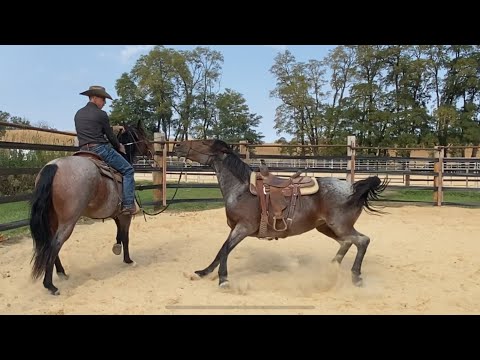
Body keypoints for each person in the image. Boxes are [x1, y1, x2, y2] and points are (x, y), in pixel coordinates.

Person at [74, 85, 137, 215]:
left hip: (82, 151)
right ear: (95, 97)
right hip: (99, 149)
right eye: (103, 99)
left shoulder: (78, 114)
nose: (105, 103)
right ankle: (128, 204)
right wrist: (119, 146)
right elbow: (110, 135)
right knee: (128, 170)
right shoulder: (101, 114)